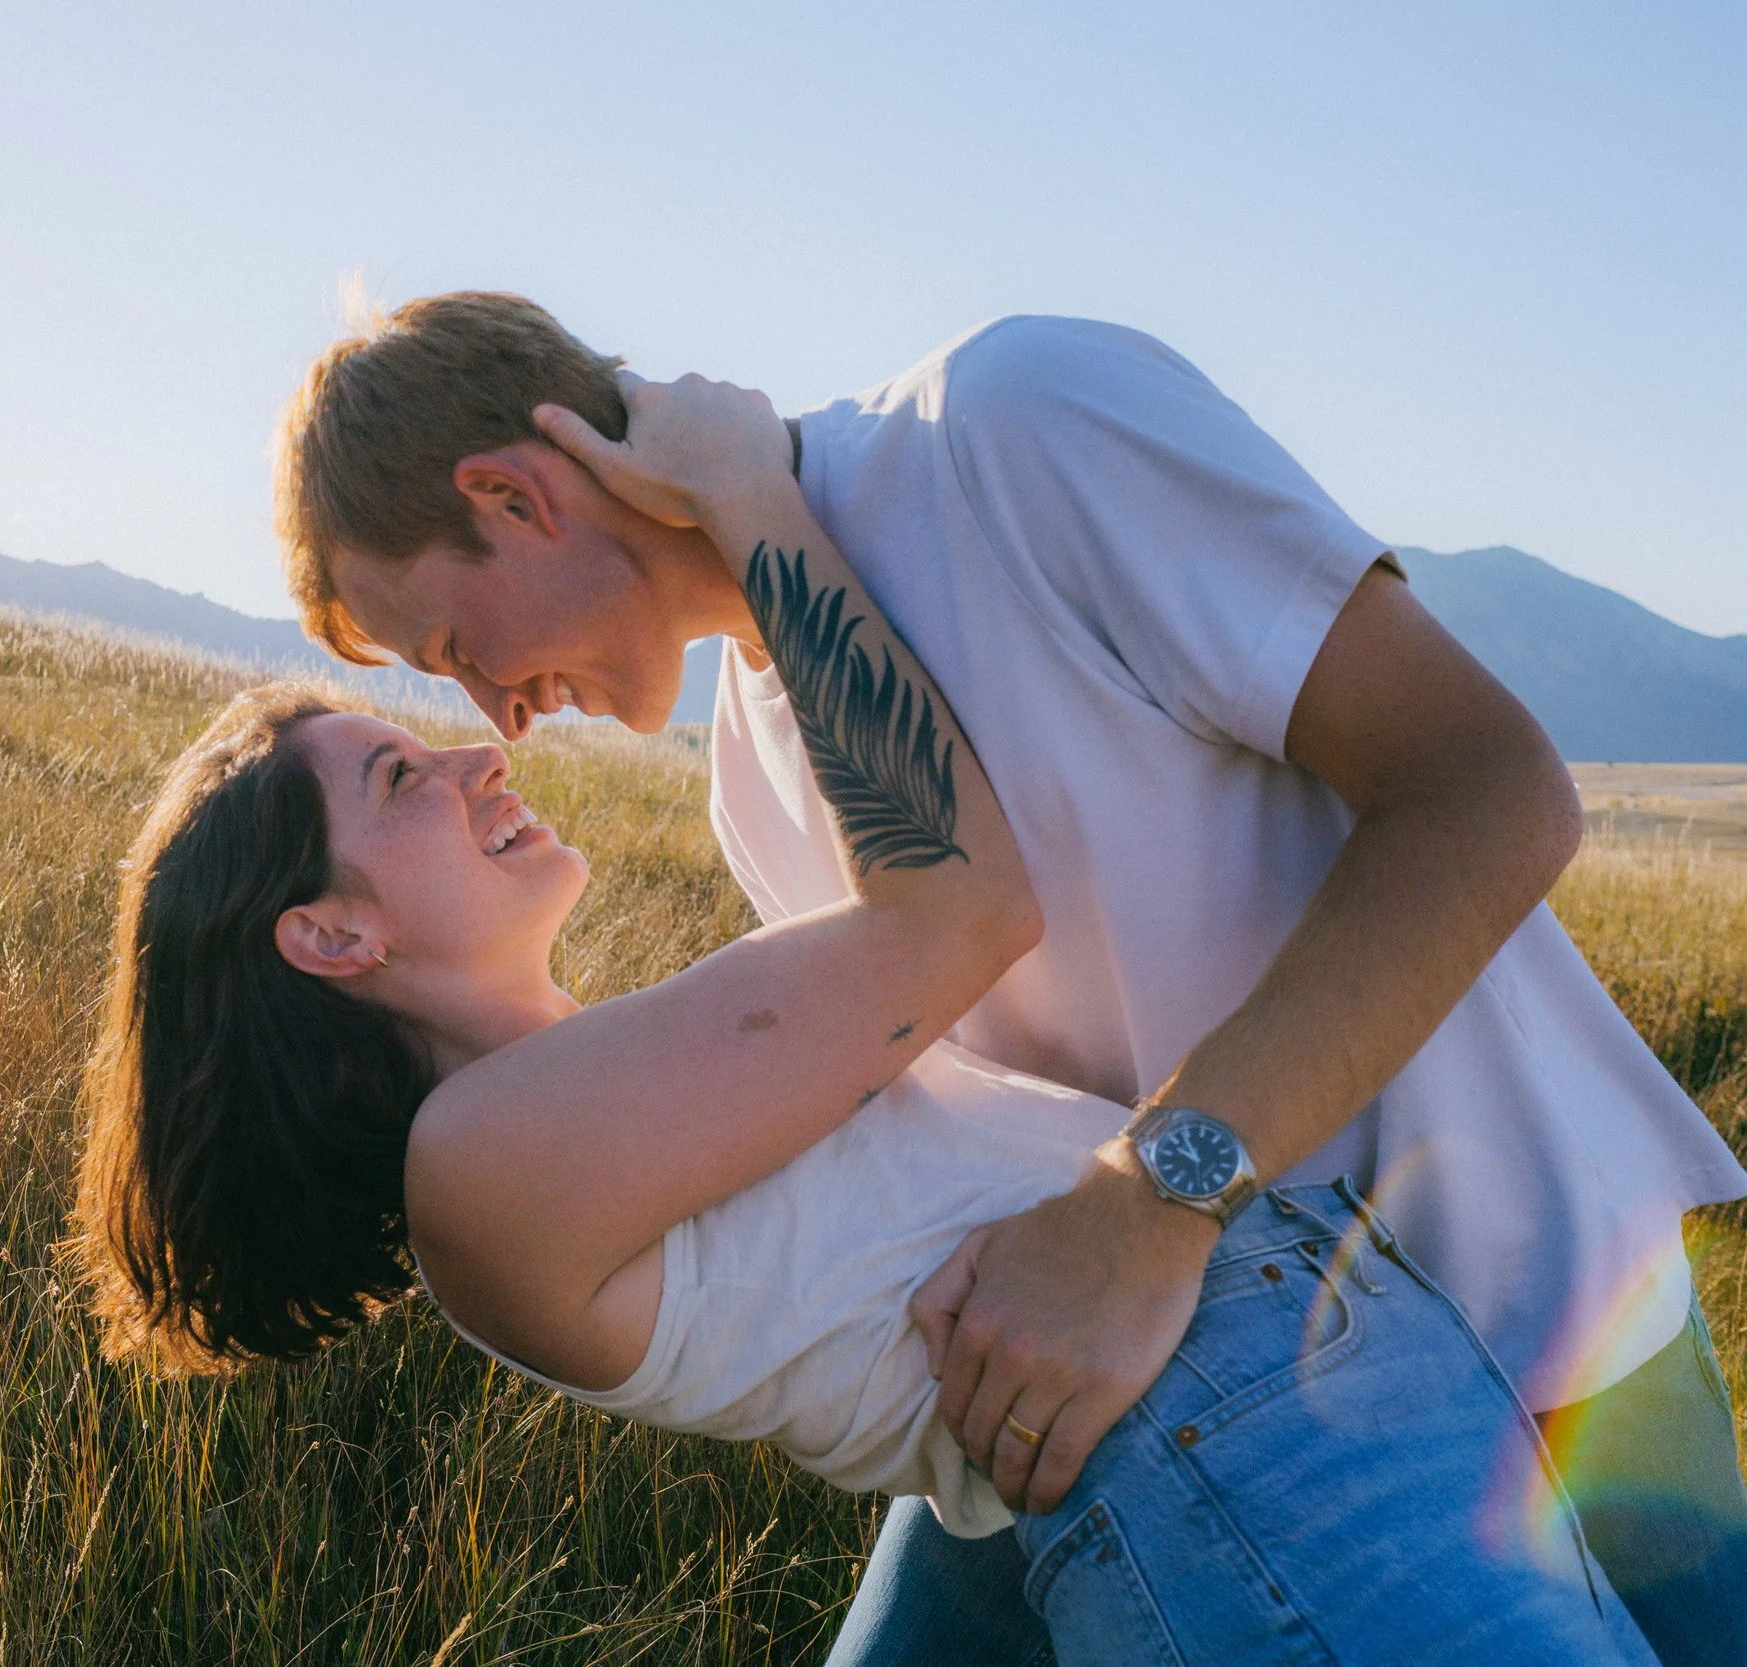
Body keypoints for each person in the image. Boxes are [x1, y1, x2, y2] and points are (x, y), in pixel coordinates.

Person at [268, 292, 1747, 1666]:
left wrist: (1155, 1194)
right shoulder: (756, 784)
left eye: (462, 646)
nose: (500, 718)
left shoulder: (1013, 432)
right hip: (1130, 1373)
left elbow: (1491, 787)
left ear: (511, 496)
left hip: (1533, 1315)